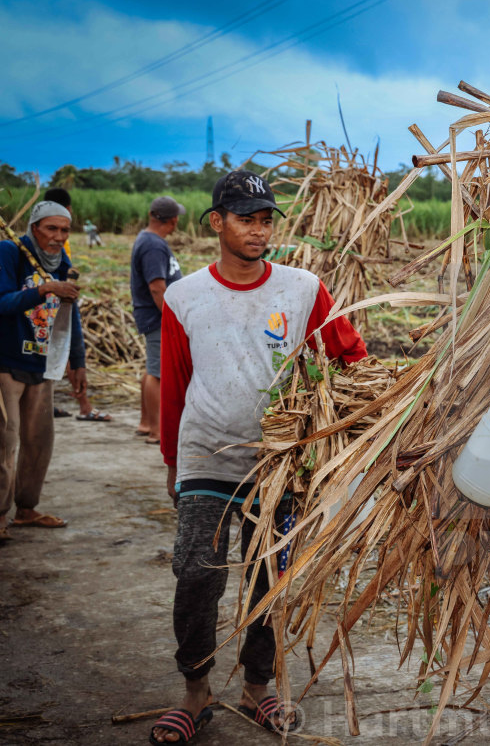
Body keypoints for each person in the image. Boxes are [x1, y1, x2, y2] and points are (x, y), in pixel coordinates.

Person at [151, 171, 367, 744]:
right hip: (205, 456)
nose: (259, 230)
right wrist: (173, 459)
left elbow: (348, 354)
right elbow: (175, 382)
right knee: (197, 574)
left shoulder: (301, 289)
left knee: (267, 577)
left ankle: (257, 688)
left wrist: (334, 422)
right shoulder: (185, 295)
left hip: (279, 466)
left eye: (266, 219)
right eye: (246, 218)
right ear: (217, 222)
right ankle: (195, 695)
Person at [0, 200, 87, 538]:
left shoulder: (61, 262)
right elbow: (3, 301)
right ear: (34, 228)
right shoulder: (11, 253)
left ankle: (25, 509)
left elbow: (69, 313)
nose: (58, 236)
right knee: (5, 443)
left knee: (39, 441)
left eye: (64, 230)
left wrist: (77, 362)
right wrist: (44, 288)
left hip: (42, 361)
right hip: (6, 361)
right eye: (51, 228)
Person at [42, 186, 112, 422]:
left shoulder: (43, 235)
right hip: (58, 302)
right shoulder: (60, 239)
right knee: (65, 348)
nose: (60, 235)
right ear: (69, 209)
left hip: (48, 302)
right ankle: (84, 406)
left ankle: (49, 403)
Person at [130, 195, 185, 443]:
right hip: (157, 316)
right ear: (172, 221)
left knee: (152, 368)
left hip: (152, 315)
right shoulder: (153, 245)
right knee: (157, 373)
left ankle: (146, 422)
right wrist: (172, 317)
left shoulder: (149, 240)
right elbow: (156, 287)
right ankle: (156, 430)